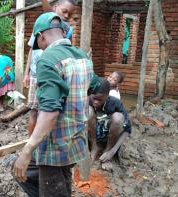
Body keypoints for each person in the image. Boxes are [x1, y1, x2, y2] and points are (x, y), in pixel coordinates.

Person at [13, 12, 93, 197]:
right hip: (75, 141)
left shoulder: (48, 59)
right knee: (29, 173)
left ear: (41, 37)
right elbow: (94, 87)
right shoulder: (82, 56)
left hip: (54, 147)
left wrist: (27, 150)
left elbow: (49, 112)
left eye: (38, 44)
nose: (39, 48)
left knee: (33, 171)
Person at [23, 0, 76, 136]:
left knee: (48, 110)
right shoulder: (41, 25)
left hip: (53, 73)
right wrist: (26, 73)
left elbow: (69, 50)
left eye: (70, 15)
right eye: (64, 11)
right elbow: (31, 50)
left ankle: (41, 140)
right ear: (55, 7)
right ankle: (31, 142)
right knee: (34, 111)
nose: (66, 16)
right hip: (36, 74)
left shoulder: (67, 31)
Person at [88, 78, 131, 163]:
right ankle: (94, 147)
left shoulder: (115, 103)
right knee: (88, 111)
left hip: (108, 137)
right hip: (91, 137)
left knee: (118, 117)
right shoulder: (86, 101)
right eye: (94, 98)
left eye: (100, 99)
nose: (96, 102)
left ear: (107, 96)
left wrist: (112, 151)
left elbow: (127, 129)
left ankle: (107, 150)